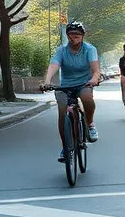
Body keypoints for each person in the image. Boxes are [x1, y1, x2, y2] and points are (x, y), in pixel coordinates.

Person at [43, 21, 101, 162]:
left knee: (87, 98)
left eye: (77, 35)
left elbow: (95, 70)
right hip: (66, 86)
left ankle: (90, 123)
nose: (73, 38)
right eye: (70, 35)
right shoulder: (61, 51)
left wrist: (94, 79)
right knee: (63, 113)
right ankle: (65, 147)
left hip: (84, 83)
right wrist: (47, 81)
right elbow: (53, 65)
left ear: (82, 36)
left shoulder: (89, 49)